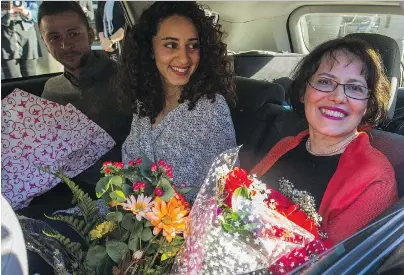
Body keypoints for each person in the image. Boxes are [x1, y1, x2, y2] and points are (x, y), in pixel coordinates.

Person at [251, 37, 398, 244]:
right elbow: (240, 200)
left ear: (368, 105)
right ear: (303, 92)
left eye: (355, 88)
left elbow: (330, 262)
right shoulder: (285, 145)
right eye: (325, 82)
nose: (338, 97)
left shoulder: (374, 179)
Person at [16, 1, 131, 217]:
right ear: (44, 41)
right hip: (62, 189)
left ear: (90, 34)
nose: (65, 46)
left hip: (116, 196)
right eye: (54, 37)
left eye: (73, 34)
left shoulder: (126, 79)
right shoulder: (52, 89)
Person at [117, 1, 237, 201]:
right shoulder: (144, 105)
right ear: (150, 48)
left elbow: (225, 194)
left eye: (193, 46)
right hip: (133, 217)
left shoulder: (211, 108)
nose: (184, 58)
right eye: (171, 45)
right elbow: (128, 181)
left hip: (185, 227)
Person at [1, 0, 42, 78]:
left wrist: (24, 11)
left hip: (28, 36)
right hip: (6, 37)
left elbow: (37, 14)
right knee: (12, 77)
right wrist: (5, 9)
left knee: (30, 75)